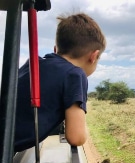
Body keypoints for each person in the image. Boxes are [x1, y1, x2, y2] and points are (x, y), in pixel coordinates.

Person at [14, 13, 106, 152]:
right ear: (93, 56)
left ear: (56, 49)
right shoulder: (75, 75)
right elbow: (77, 137)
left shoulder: (33, 65)